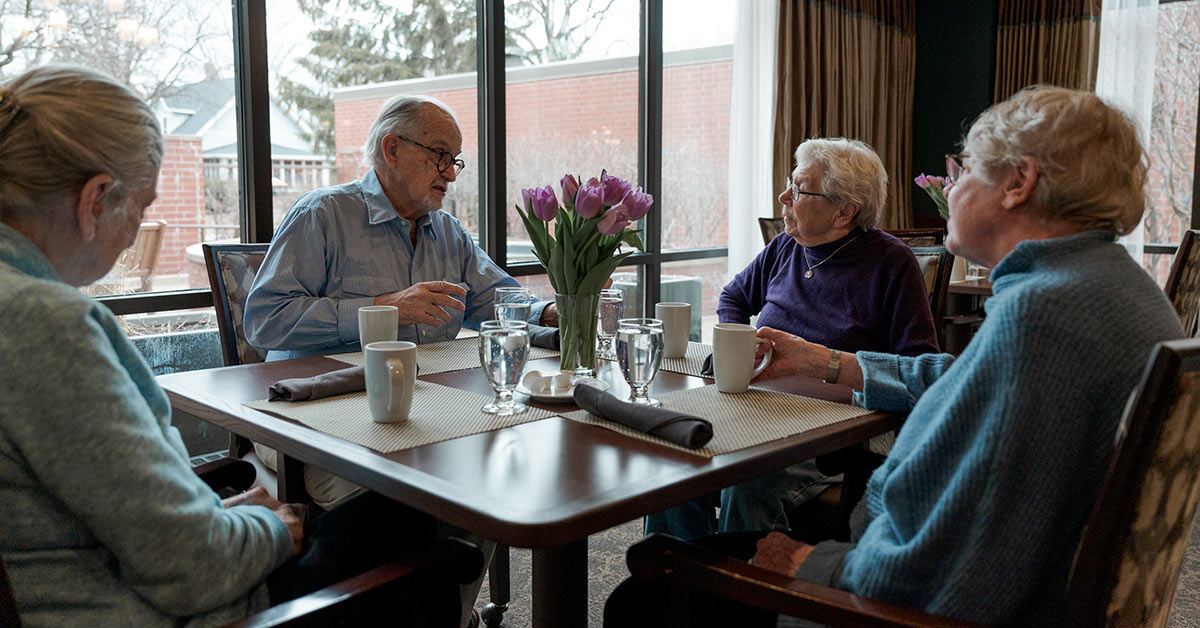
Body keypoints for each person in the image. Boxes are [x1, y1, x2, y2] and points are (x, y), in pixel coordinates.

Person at [608, 85, 1186, 626]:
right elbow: (964, 411)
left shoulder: (1041, 318)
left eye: (962, 171)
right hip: (994, 586)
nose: (950, 188)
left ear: (1018, 181)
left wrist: (809, 567)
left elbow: (944, 565)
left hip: (885, 603)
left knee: (645, 590)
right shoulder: (1118, 294)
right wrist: (827, 362)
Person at [0, 66, 466, 627]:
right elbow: (189, 565)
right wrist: (277, 527)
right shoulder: (45, 323)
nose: (136, 232)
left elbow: (110, 499)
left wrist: (214, 515)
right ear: (95, 200)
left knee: (395, 510)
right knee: (424, 536)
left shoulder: (24, 308)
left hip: (109, 567)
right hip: (173, 609)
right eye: (144, 207)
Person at [645, 138, 939, 539]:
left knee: (746, 480)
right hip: (753, 408)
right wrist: (737, 343)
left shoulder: (892, 264)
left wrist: (823, 362)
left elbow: (919, 370)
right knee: (675, 460)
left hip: (828, 436)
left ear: (844, 212)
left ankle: (741, 594)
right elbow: (733, 296)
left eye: (799, 189)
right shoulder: (786, 247)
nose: (784, 196)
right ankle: (676, 582)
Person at [244, 94, 554, 363]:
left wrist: (555, 311)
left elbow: (496, 303)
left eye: (455, 161)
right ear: (392, 149)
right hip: (322, 402)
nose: (451, 175)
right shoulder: (321, 214)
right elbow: (265, 321)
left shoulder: (449, 233)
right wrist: (383, 309)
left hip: (430, 398)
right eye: (440, 156)